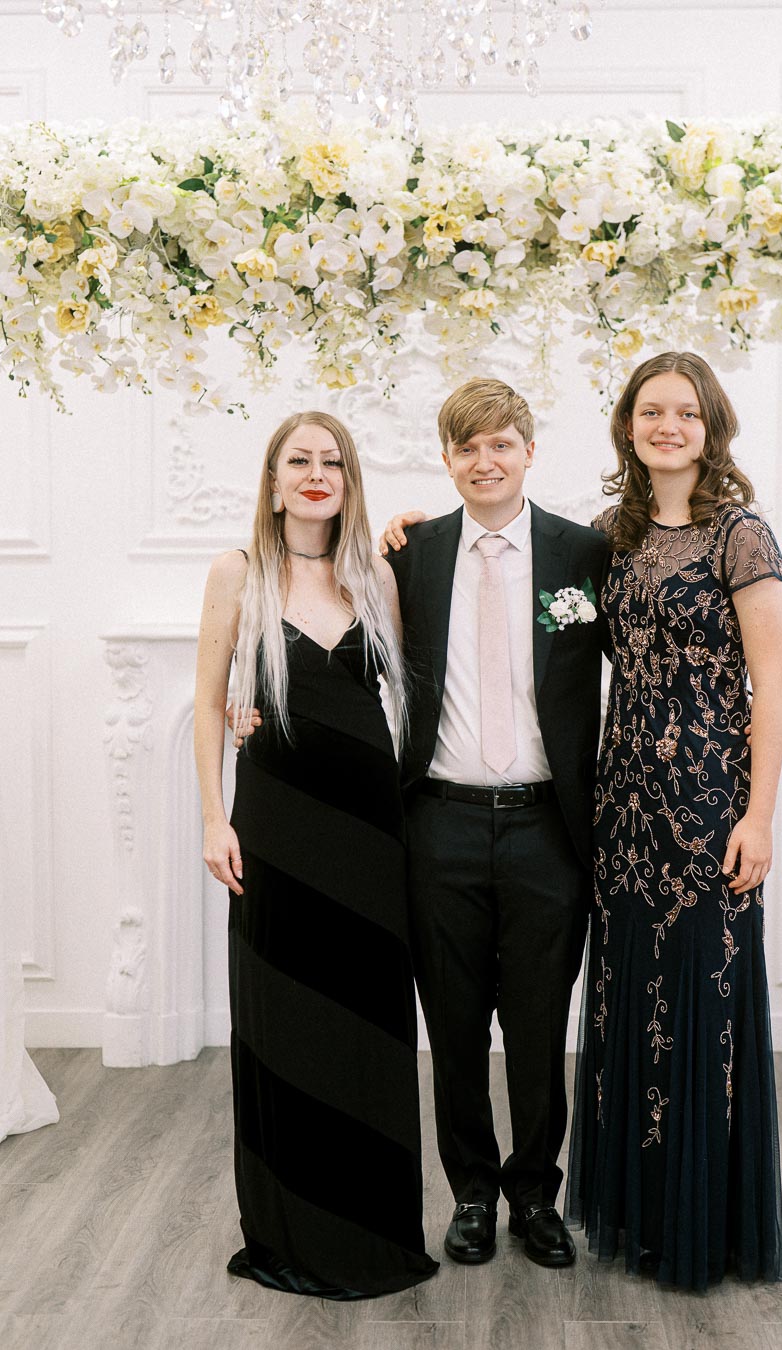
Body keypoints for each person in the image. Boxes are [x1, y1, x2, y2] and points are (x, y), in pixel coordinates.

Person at [193, 411, 438, 1299]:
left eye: (331, 461)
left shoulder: (375, 572)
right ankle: (291, 1227)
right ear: (272, 479)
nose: (314, 473)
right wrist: (215, 819)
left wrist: (409, 528)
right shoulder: (237, 573)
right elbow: (210, 698)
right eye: (298, 460)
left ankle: (373, 1227)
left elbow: (399, 695)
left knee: (368, 1023)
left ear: (349, 479)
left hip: (370, 836)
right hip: (276, 831)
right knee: (285, 1023)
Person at [565, 352, 782, 1290]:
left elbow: (771, 680)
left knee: (701, 1005)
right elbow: (537, 619)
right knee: (629, 1000)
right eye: (650, 411)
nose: (667, 426)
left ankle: (706, 1226)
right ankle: (643, 1213)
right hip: (623, 810)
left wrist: (760, 816)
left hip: (708, 806)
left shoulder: (740, 535)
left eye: (685, 413)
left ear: (710, 427)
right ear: (627, 427)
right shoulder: (602, 539)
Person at [380, 378, 611, 1268]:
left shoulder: (584, 553)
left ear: (528, 450)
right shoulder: (410, 553)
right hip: (437, 822)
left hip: (548, 829)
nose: (485, 461)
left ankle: (534, 1196)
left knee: (539, 1022)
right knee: (455, 1022)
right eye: (467, 447)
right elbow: (332, 631)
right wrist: (247, 704)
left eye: (501, 444)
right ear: (447, 459)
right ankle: (472, 1191)